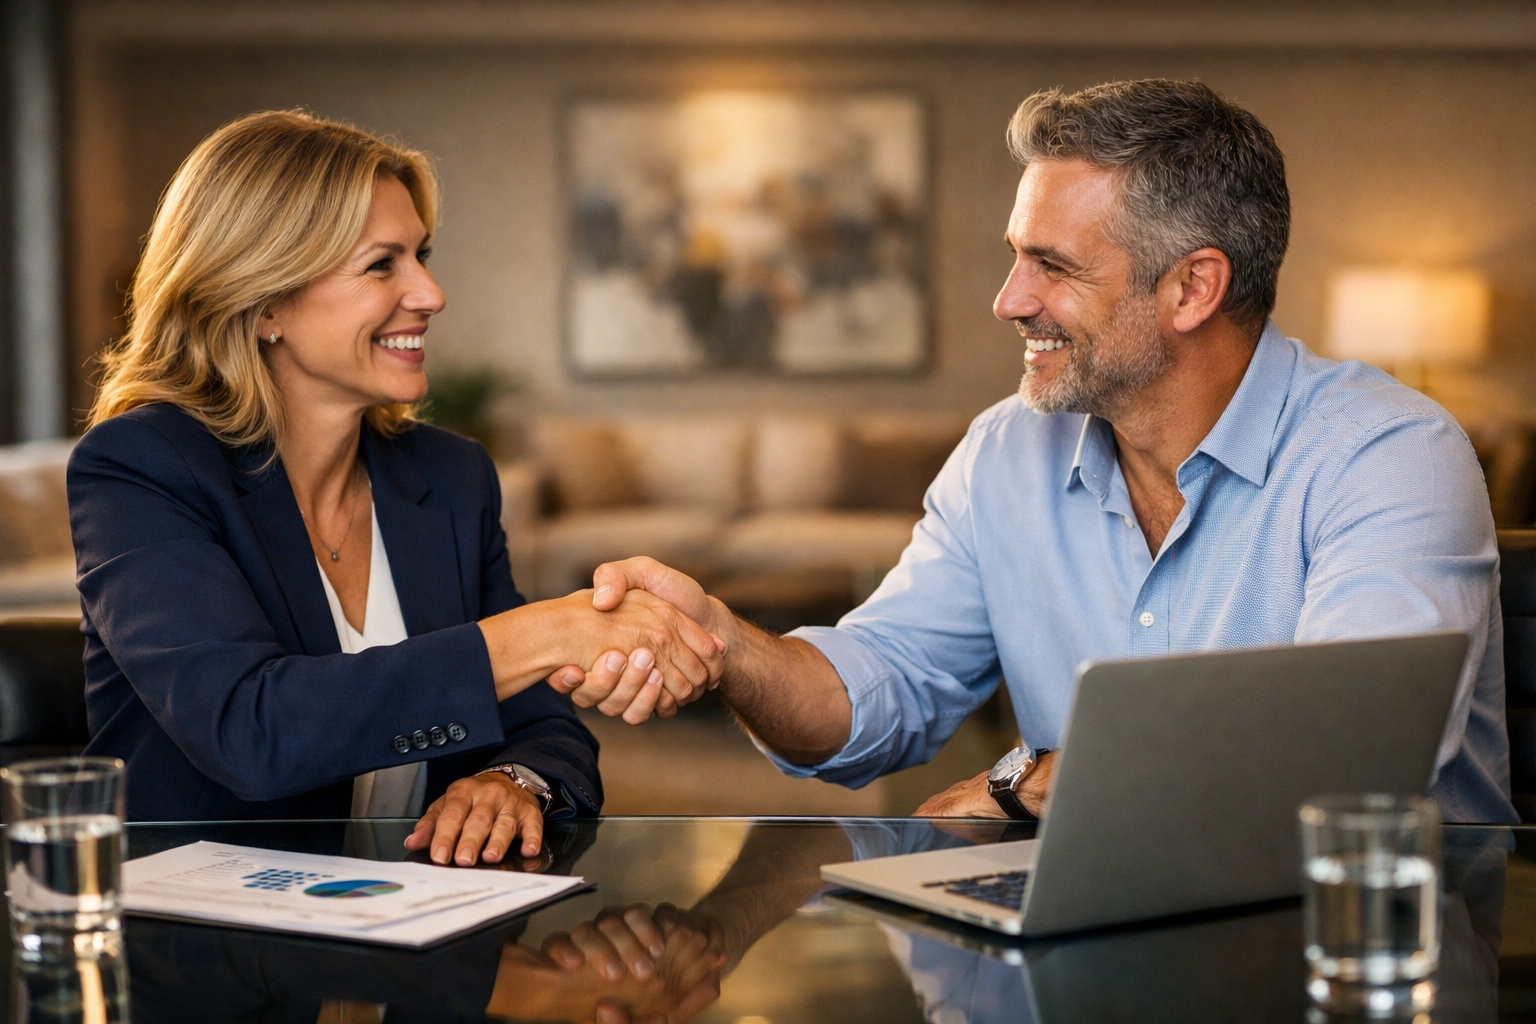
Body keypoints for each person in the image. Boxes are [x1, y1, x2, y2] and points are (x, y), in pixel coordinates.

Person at [565, 78, 1517, 825]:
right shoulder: (1006, 453)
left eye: (1052, 266)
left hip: (1374, 948)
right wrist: (730, 647)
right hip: (1103, 936)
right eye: (1017, 255)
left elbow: (1350, 752)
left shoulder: (1390, 451)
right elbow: (882, 689)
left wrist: (1021, 782)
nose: (1008, 299)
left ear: (1193, 289)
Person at [69, 110, 724, 865]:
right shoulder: (141, 466)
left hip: (419, 947)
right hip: (218, 960)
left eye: (421, 256)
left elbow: (544, 721)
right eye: (383, 264)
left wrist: (513, 779)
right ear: (265, 299)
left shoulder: (450, 475)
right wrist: (552, 630)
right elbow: (250, 730)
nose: (431, 294)